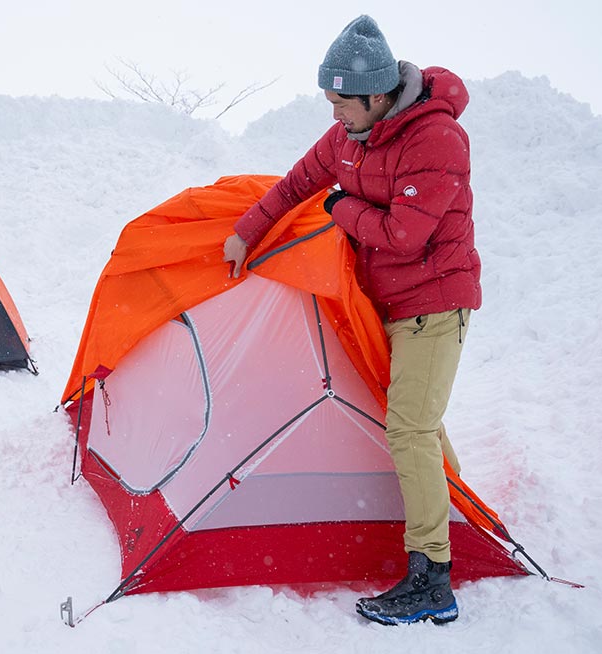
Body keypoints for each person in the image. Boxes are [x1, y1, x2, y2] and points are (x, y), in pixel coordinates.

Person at [223, 15, 480, 625]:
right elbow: (295, 185)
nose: (334, 115)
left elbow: (401, 235)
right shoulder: (347, 136)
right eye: (330, 102)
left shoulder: (435, 140)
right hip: (385, 304)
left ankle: (433, 579)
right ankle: (460, 515)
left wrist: (341, 207)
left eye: (342, 103)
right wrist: (245, 232)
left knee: (410, 429)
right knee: (417, 419)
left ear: (377, 94)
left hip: (435, 302)